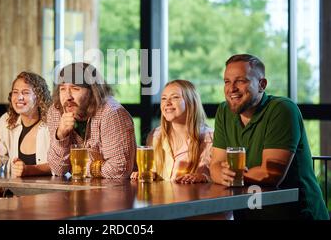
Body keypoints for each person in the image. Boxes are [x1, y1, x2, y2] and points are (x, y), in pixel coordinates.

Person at [210, 53, 329, 220]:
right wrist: (220, 173)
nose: (231, 88)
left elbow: (270, 175)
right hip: (249, 212)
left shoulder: (283, 109)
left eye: (241, 81)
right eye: (227, 81)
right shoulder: (224, 111)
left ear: (262, 84)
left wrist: (229, 176)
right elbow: (215, 165)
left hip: (295, 214)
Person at [47, 62, 136, 179]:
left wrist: (79, 167)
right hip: (76, 190)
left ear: (92, 91)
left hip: (114, 191)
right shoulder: (56, 111)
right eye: (62, 89)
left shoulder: (112, 113)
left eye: (75, 88)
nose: (67, 96)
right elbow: (58, 169)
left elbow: (119, 169)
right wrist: (61, 135)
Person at [130, 80, 213, 183]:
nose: (167, 103)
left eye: (175, 97)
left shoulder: (209, 138)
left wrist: (204, 178)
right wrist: (149, 174)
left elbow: (216, 179)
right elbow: (155, 174)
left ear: (191, 102)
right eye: (164, 98)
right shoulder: (155, 136)